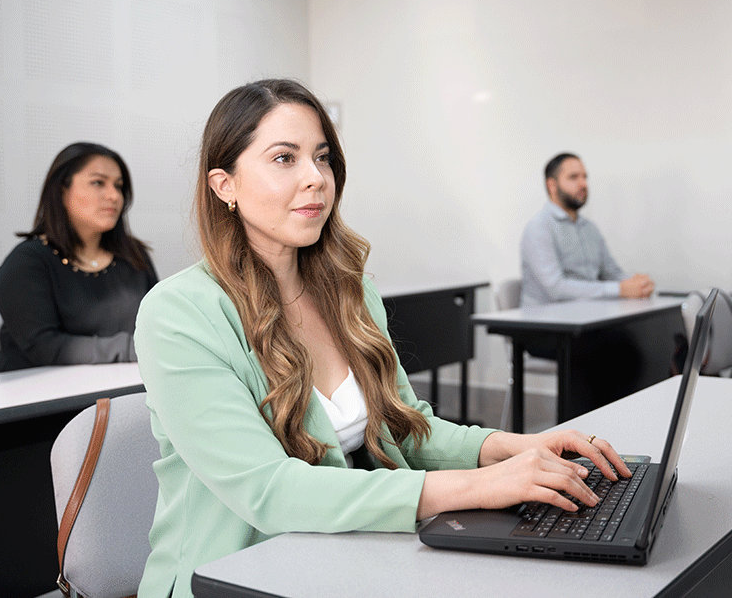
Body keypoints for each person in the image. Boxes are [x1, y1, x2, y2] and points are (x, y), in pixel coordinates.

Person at [133, 79, 631, 598]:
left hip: (345, 554)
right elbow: (269, 491)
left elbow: (406, 429)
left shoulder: (349, 291)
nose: (316, 179)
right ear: (224, 186)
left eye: (322, 158)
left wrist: (514, 448)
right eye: (285, 159)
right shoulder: (178, 314)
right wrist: (479, 486)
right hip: (238, 575)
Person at [0, 142, 157, 372]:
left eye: (119, 186)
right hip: (42, 400)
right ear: (62, 190)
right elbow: (45, 347)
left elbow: (157, 323)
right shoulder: (26, 262)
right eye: (98, 182)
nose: (114, 196)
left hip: (125, 387)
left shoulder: (134, 254)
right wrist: (137, 348)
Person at [520, 152, 654, 306]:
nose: (583, 184)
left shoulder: (589, 228)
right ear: (552, 185)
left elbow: (611, 273)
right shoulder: (539, 227)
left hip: (587, 314)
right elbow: (556, 288)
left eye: (584, 177)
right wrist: (619, 289)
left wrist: (638, 284)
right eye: (573, 177)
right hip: (546, 323)